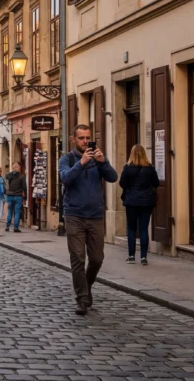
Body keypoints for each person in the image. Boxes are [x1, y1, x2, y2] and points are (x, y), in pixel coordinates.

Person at [58, 124, 119, 315]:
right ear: (74, 140)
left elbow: (113, 177)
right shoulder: (66, 159)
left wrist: (103, 163)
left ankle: (87, 285)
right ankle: (82, 299)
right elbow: (65, 178)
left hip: (95, 216)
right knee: (77, 257)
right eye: (81, 138)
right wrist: (81, 163)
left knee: (97, 258)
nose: (85, 141)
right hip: (74, 214)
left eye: (88, 138)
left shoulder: (98, 159)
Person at [120, 144, 159, 266]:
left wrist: (131, 188)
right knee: (143, 229)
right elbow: (156, 183)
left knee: (131, 229)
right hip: (146, 202)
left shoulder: (127, 168)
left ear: (131, 154)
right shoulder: (150, 168)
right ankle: (143, 257)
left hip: (131, 201)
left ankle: (131, 256)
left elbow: (122, 183)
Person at [4, 162, 26, 233]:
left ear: (13, 167)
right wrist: (25, 197)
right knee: (17, 212)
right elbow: (24, 187)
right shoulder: (22, 177)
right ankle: (15, 228)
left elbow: (6, 186)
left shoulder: (7, 175)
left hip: (9, 195)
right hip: (18, 196)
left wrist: (6, 193)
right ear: (19, 168)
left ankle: (7, 226)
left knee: (10, 211)